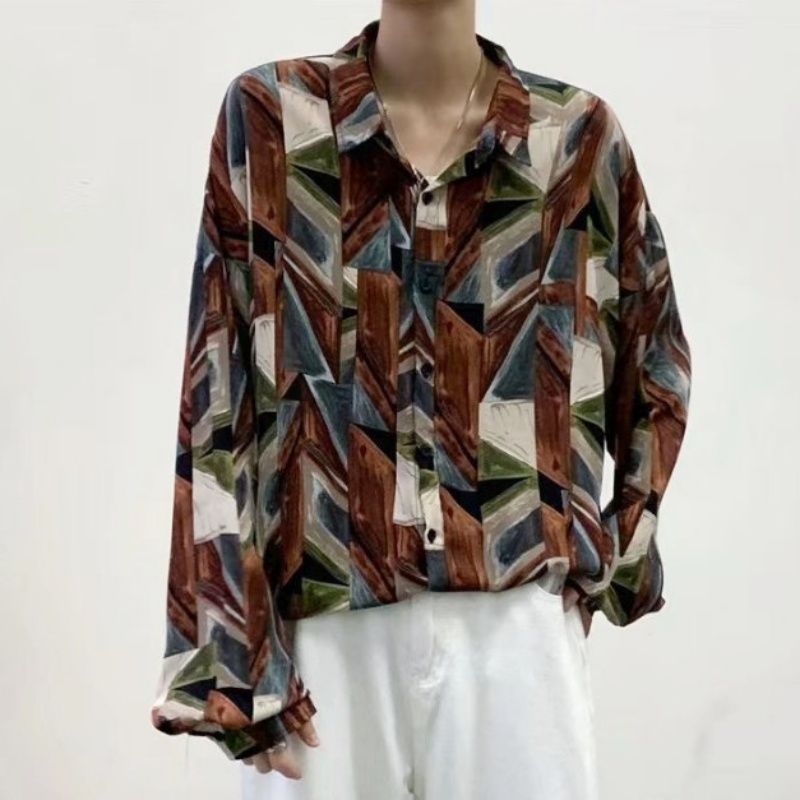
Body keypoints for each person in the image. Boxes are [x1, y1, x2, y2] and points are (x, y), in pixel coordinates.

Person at [149, 3, 692, 799]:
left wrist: (619, 551)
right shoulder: (274, 120)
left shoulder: (574, 141)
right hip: (321, 631)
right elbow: (215, 381)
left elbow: (655, 361)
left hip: (514, 630)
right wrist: (231, 650)